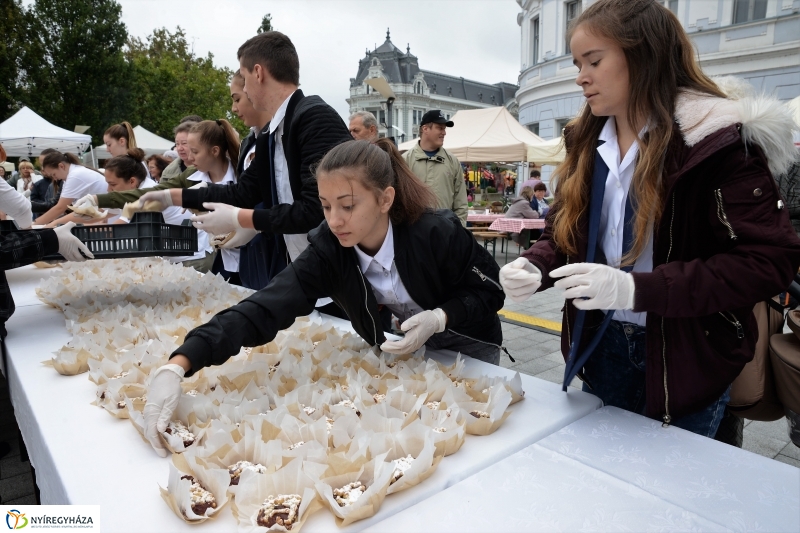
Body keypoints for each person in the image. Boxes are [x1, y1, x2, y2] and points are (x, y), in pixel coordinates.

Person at [498, 0, 800, 438]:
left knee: (673, 479)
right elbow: (566, 231)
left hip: (688, 354)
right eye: (578, 64)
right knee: (598, 472)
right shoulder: (586, 140)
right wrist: (536, 264)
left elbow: (767, 261)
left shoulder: (714, 142)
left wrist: (638, 289)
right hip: (599, 344)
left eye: (594, 61)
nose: (581, 76)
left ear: (644, 56)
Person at [142, 139, 506, 456]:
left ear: (385, 199)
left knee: (479, 437)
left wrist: (440, 317)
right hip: (410, 350)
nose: (334, 221)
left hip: (470, 342)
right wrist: (180, 362)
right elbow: (265, 306)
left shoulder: (436, 232)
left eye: (347, 206)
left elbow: (490, 290)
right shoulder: (329, 250)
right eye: (326, 206)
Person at [138, 31, 352, 303]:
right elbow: (243, 193)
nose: (244, 91)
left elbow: (316, 210)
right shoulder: (269, 134)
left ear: (258, 73)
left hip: (340, 278)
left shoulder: (314, 117)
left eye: (244, 76)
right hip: (305, 272)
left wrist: (241, 219)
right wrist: (173, 196)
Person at [402, 110, 468, 225]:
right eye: (440, 128)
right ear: (425, 129)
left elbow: (461, 203)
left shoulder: (452, 161)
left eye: (444, 129)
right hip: (414, 231)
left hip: (445, 231)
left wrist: (458, 230)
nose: (444, 133)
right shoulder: (405, 161)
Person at [34, 151, 108, 226]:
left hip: (106, 214)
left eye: (54, 174)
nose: (55, 179)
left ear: (61, 166)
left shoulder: (74, 175)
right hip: (102, 213)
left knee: (55, 223)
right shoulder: (72, 175)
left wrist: (34, 224)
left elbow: (60, 208)